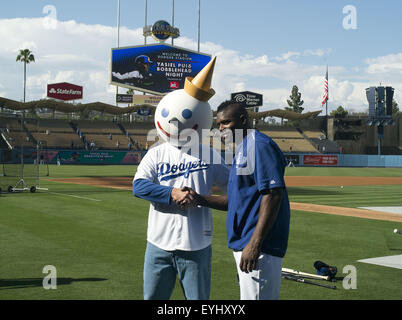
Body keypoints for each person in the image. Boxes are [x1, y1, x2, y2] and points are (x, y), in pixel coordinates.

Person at [132, 56, 229, 300]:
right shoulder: (156, 153)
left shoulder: (211, 154)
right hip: (158, 244)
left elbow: (233, 191)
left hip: (196, 245)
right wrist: (172, 194)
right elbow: (139, 186)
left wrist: (200, 199)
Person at [187, 101, 291, 300]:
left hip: (259, 246)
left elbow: (273, 194)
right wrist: (199, 198)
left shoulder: (259, 145)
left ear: (243, 120)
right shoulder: (244, 148)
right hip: (245, 243)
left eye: (225, 122)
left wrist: (255, 243)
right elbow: (236, 201)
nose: (220, 129)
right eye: (218, 124)